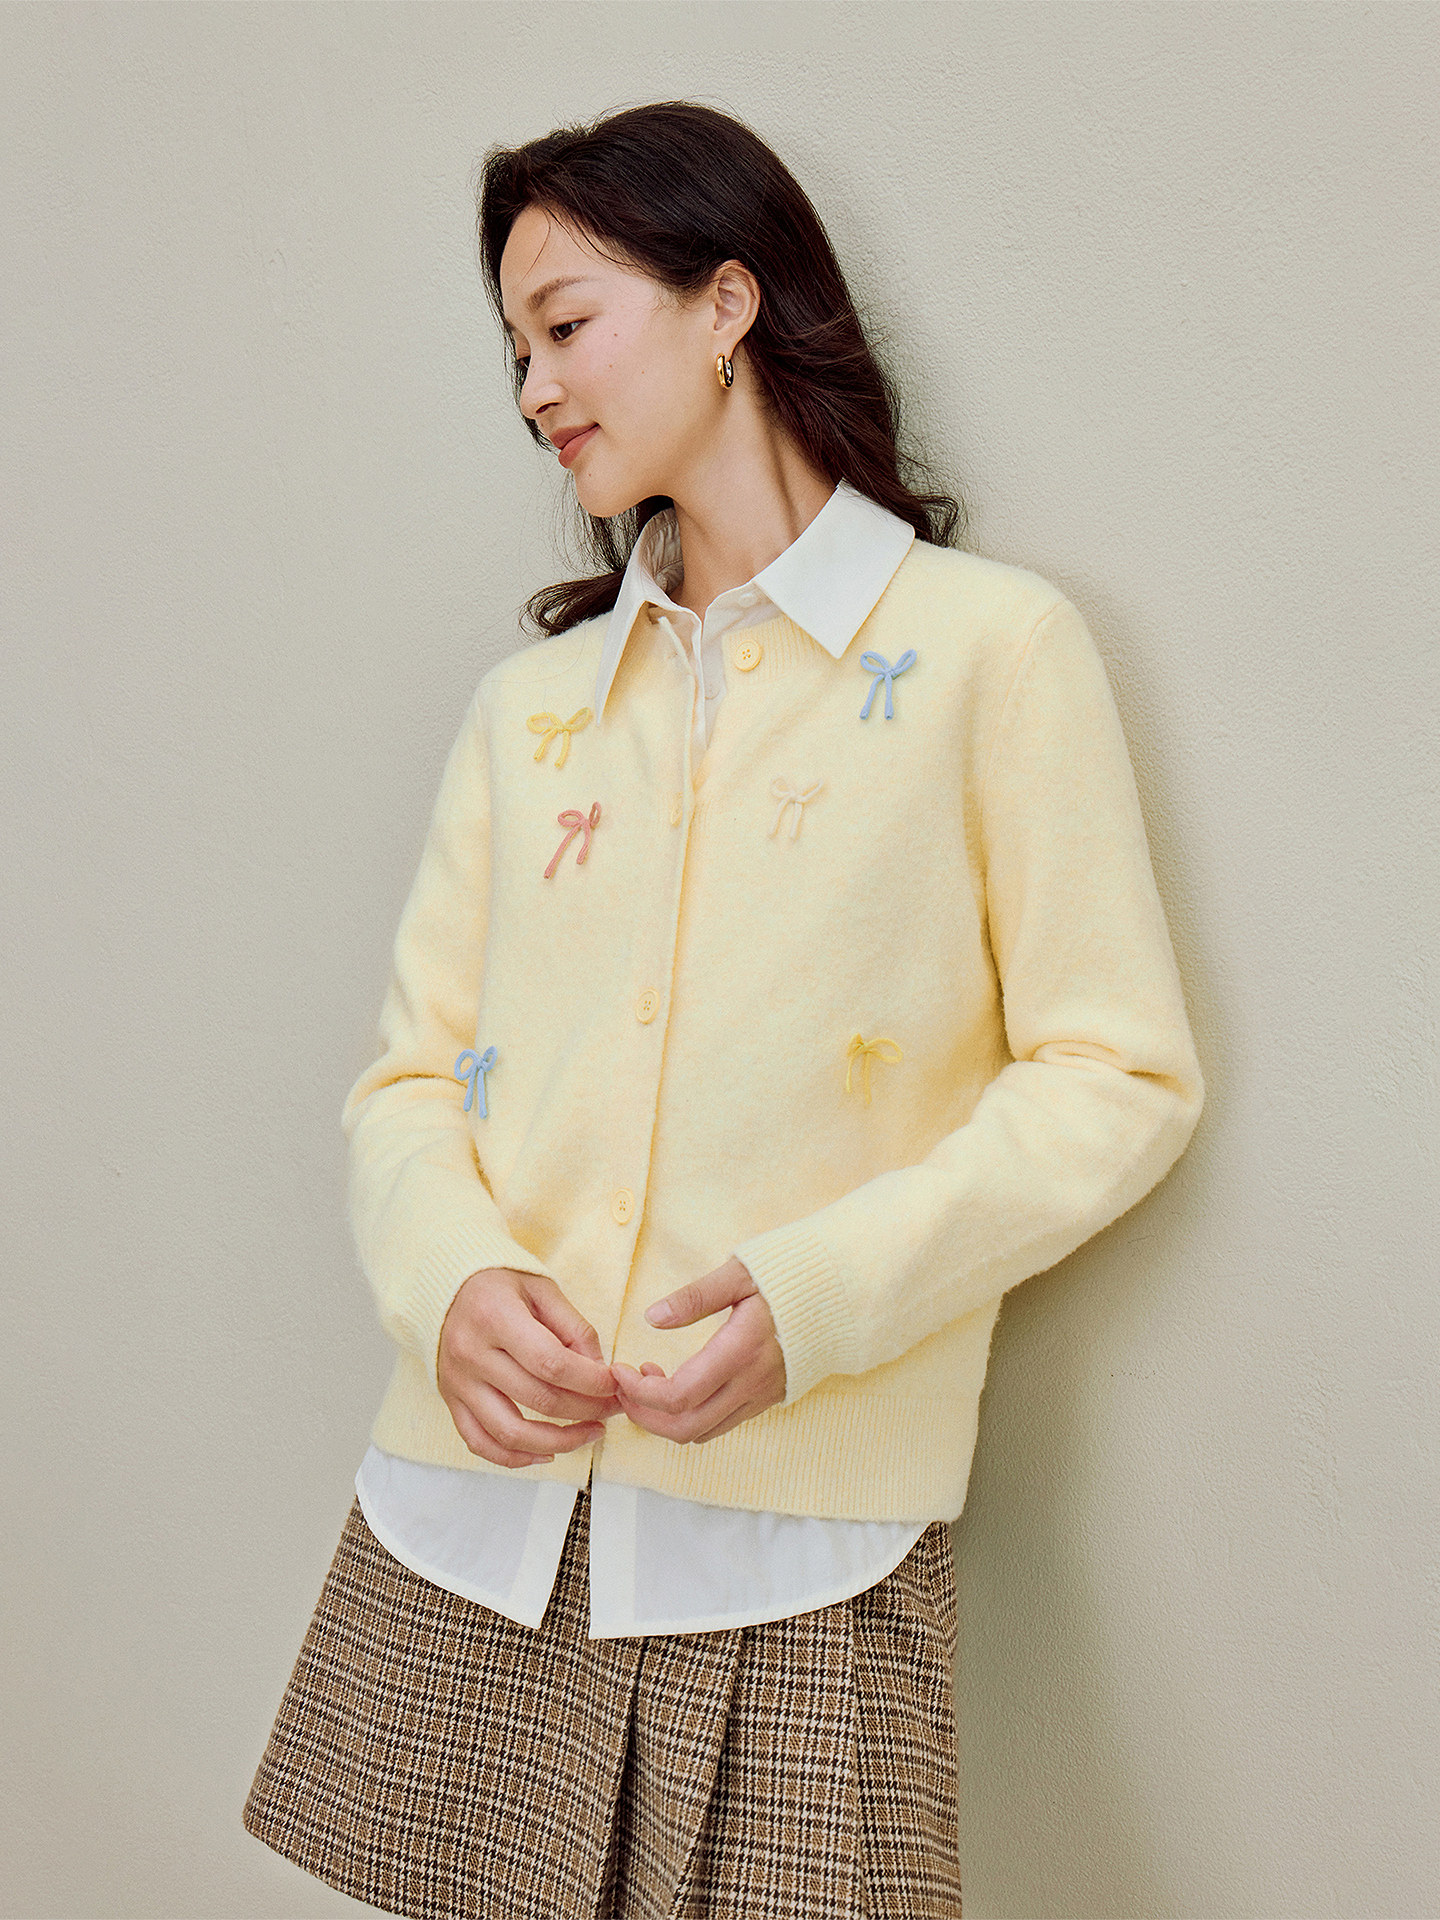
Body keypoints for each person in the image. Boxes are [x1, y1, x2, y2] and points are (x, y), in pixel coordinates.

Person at [242, 99, 1204, 1919]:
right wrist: (449, 1285)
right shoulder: (530, 713)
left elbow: (1118, 1075)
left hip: (801, 1544)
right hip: (480, 1527)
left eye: (566, 323)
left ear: (728, 304)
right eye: (515, 352)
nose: (535, 388)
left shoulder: (993, 653)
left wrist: (819, 1299)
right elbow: (407, 1082)